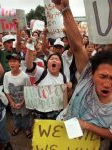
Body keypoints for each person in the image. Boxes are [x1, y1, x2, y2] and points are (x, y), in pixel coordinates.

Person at [52, 0, 112, 149]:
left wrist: (85, 125)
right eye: (103, 76)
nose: (107, 83)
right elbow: (78, 46)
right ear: (91, 73)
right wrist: (65, 9)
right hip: (62, 136)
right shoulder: (86, 75)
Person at [25, 38, 67, 119]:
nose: (54, 60)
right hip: (40, 112)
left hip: (56, 112)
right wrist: (30, 46)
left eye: (57, 59)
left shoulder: (63, 77)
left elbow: (64, 97)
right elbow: (29, 65)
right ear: (47, 63)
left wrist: (64, 113)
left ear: (61, 65)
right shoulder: (42, 72)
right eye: (51, 59)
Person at [3, 53, 32, 139]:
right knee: (16, 115)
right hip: (13, 102)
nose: (12, 63)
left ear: (19, 63)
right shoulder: (6, 75)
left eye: (14, 61)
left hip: (24, 102)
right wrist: (11, 102)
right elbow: (6, 89)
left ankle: (27, 129)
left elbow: (28, 91)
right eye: (10, 61)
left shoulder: (25, 77)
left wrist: (22, 103)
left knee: (25, 115)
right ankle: (17, 127)